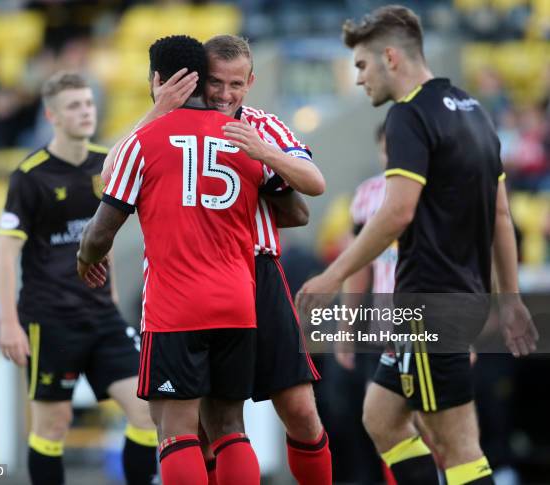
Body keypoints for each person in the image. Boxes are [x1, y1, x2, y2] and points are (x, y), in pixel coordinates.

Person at [296, 5, 538, 485]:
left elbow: (397, 211)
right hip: (454, 300)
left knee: (457, 445)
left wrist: (332, 275)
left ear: (390, 57)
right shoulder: (474, 113)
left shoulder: (409, 115)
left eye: (362, 66)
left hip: (429, 304)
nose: (360, 79)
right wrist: (507, 299)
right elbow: (501, 214)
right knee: (381, 418)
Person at [101, 34, 332, 485]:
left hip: (257, 272)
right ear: (194, 81)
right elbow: (112, 175)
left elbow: (307, 193)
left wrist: (264, 155)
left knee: (299, 410)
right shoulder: (164, 127)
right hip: (193, 276)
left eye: (235, 85)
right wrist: (158, 109)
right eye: (214, 83)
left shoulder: (264, 126)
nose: (224, 95)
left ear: (251, 82)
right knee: (212, 427)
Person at [78, 35, 264, 485]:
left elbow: (101, 231)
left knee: (175, 432)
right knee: (229, 429)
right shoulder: (244, 137)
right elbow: (294, 209)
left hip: (176, 308)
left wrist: (87, 258)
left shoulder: (144, 141)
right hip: (239, 303)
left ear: (157, 80)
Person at [0, 71, 157, 485]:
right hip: (50, 320)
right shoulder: (30, 176)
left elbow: (106, 240)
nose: (85, 112)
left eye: (88, 104)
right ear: (52, 115)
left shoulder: (106, 165)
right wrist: (10, 324)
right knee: (53, 425)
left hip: (102, 317)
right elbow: (5, 256)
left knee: (146, 411)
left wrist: (115, 301)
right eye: (74, 106)